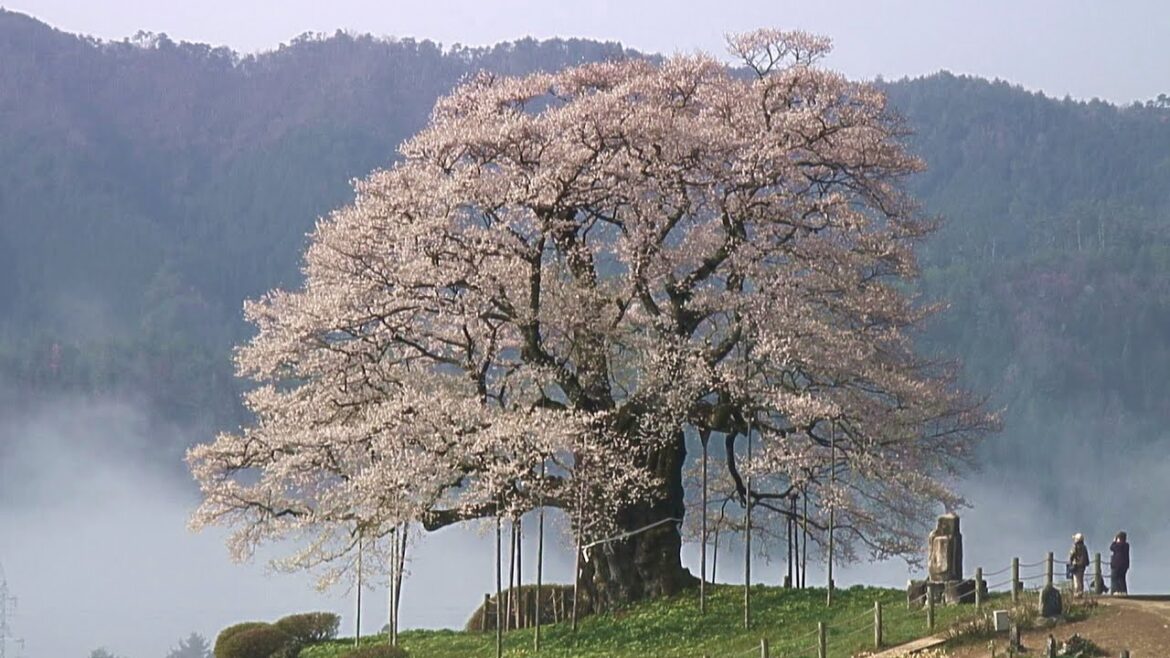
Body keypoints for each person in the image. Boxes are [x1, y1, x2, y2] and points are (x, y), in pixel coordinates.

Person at [1110, 531, 1130, 596]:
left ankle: (1116, 591)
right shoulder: (1126, 545)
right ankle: (1124, 591)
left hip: (1117, 565)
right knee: (1122, 578)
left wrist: (1114, 541)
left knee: (1115, 578)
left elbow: (1111, 547)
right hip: (1125, 565)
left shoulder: (1118, 545)